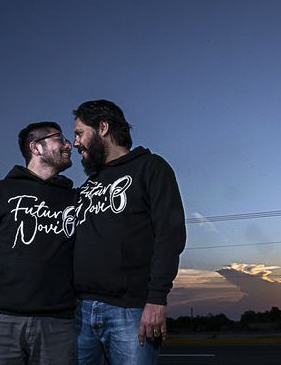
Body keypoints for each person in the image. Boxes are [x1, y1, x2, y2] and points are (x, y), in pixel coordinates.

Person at [71, 100, 186, 365]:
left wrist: (157, 298)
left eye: (79, 133)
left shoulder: (151, 168)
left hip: (131, 311)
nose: (75, 142)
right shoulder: (89, 184)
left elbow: (170, 235)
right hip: (81, 311)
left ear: (102, 127)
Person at [0, 122, 76, 365]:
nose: (68, 145)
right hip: (2, 322)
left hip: (59, 325)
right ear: (36, 147)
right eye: (59, 138)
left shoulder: (74, 199)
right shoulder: (0, 192)